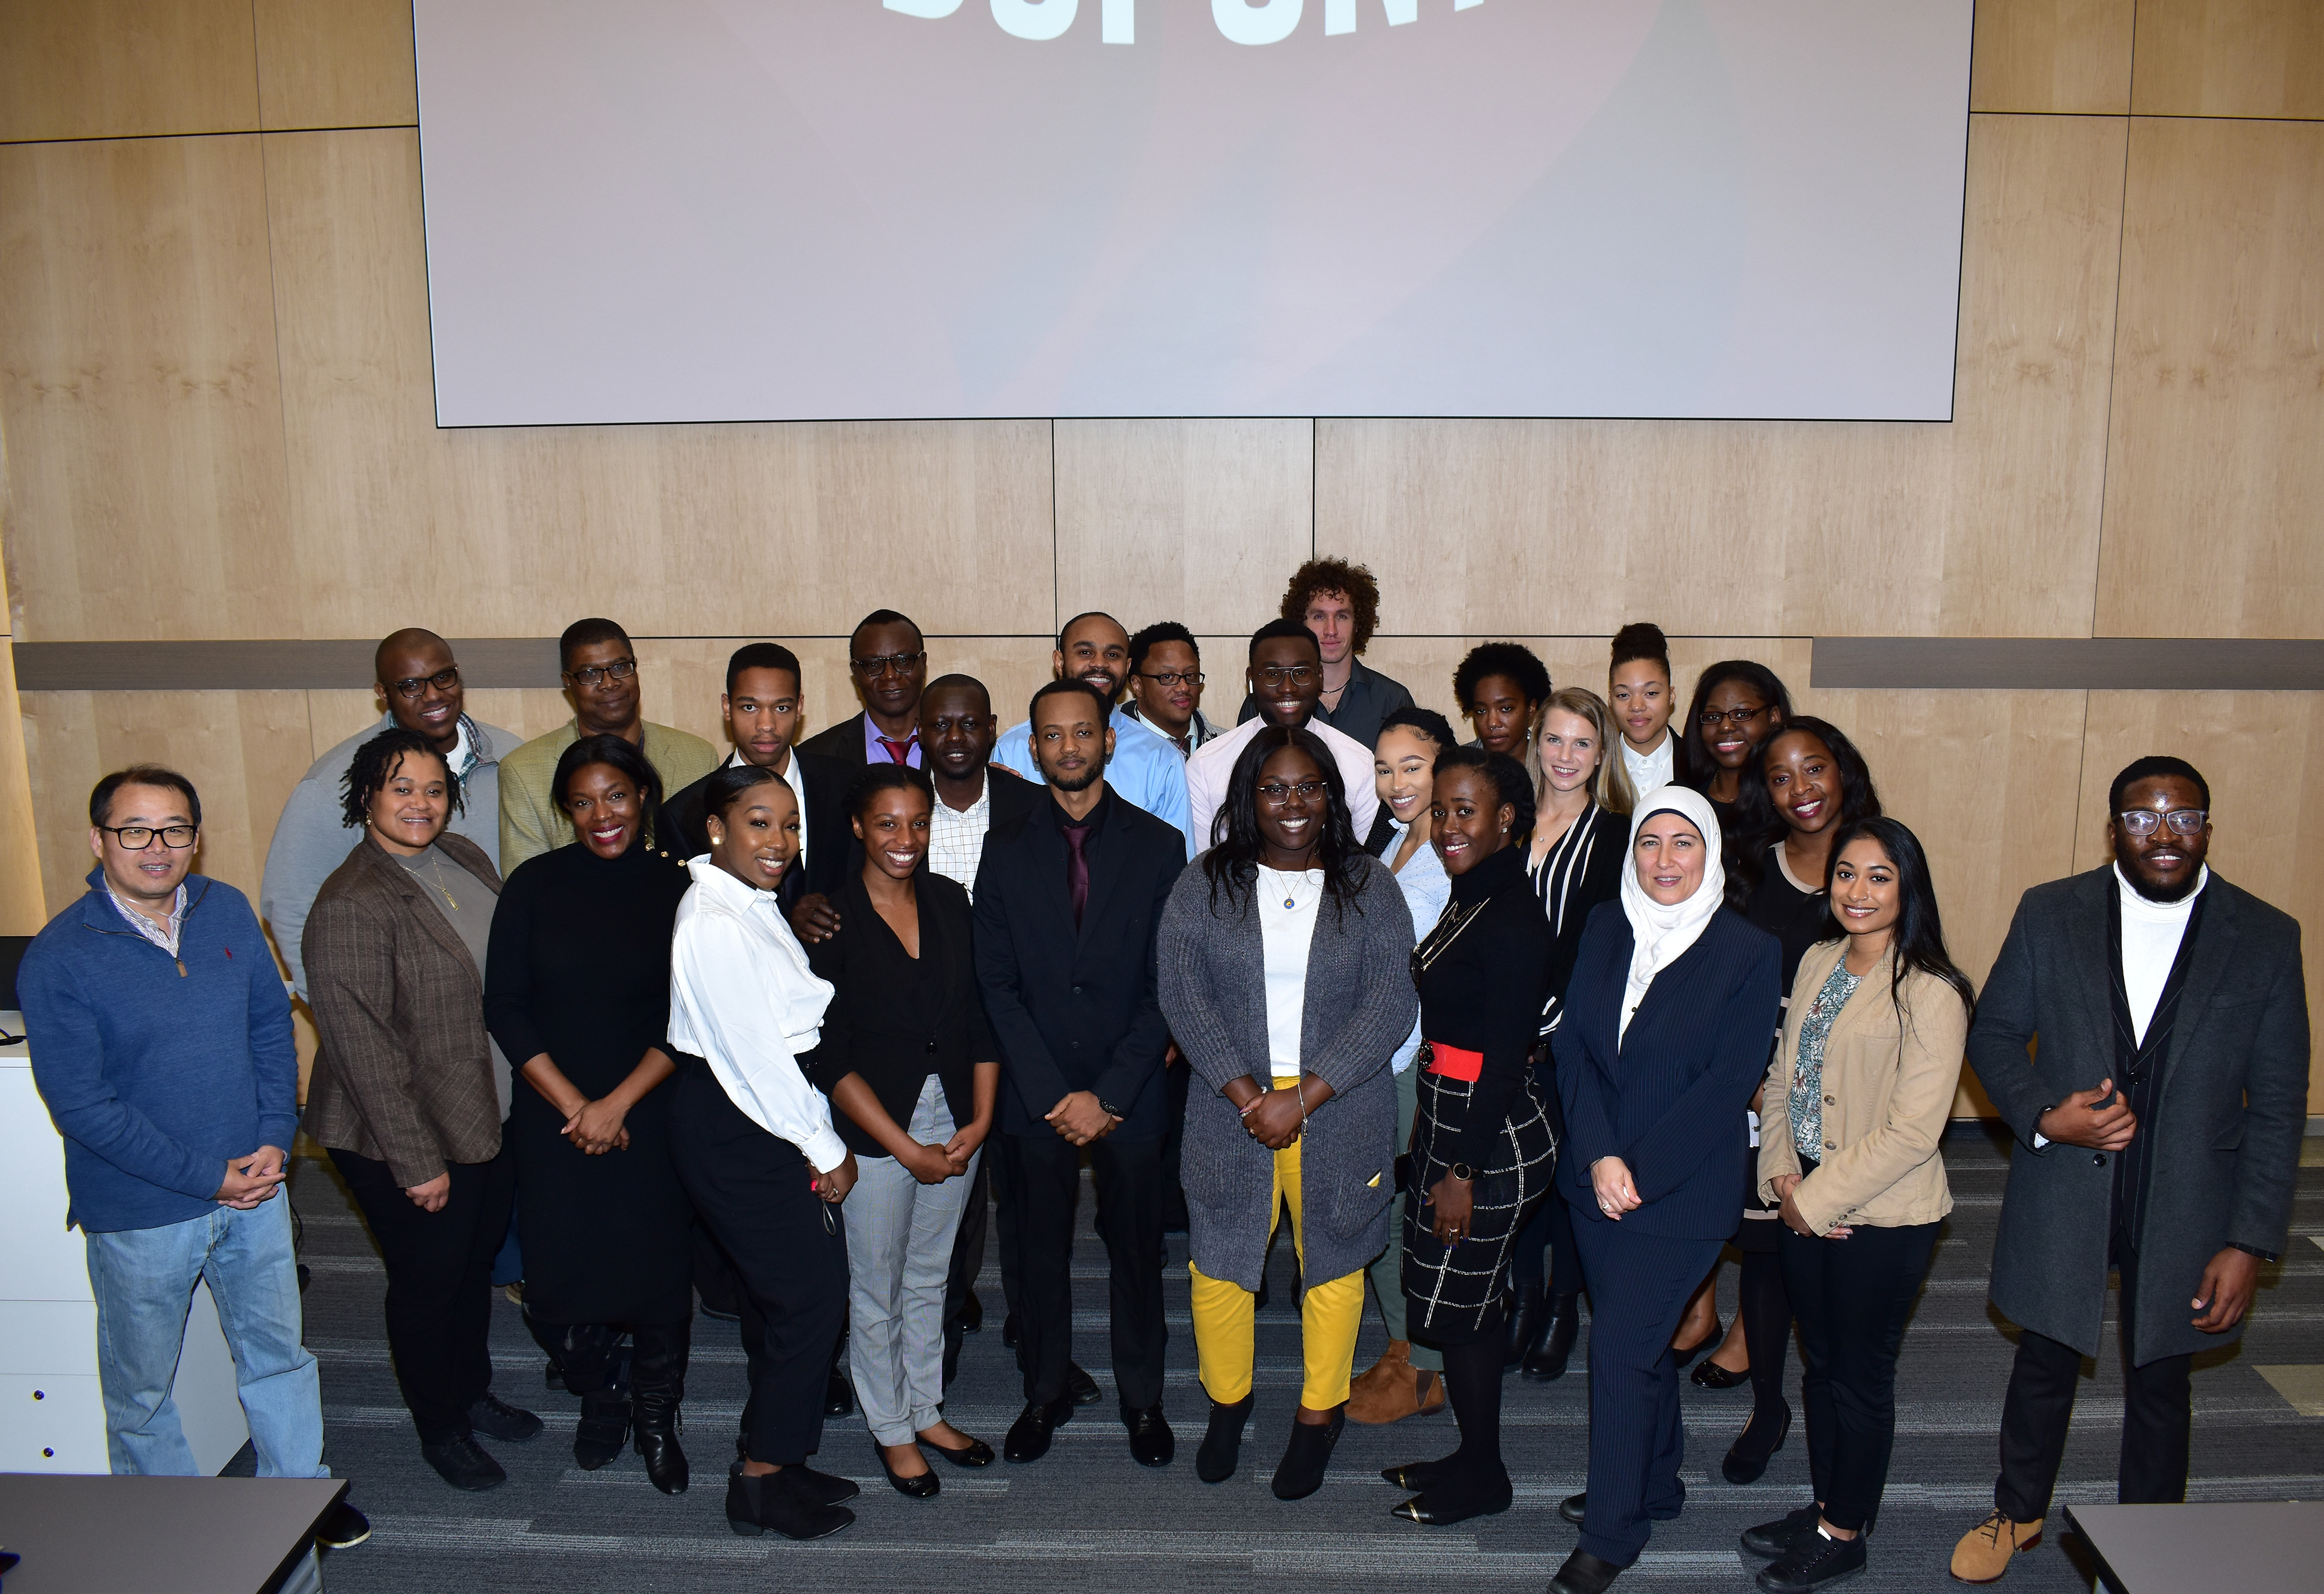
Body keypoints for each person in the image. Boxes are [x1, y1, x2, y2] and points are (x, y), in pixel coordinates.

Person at [1950, 757, 2309, 1584]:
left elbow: (2280, 1103)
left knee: (2161, 1376)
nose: (2165, 832)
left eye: (2183, 815)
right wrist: (2047, 1116)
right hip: (2067, 1184)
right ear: (2116, 827)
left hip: (2190, 1201)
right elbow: (1994, 1035)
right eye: (2144, 817)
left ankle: (2148, 1538)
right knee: (2043, 1357)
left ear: (2207, 825)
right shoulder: (2051, 911)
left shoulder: (2265, 934)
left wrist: (2249, 1239)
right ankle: (2019, 1509)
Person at [19, 767, 365, 1551]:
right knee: (144, 1391)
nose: (156, 845)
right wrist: (208, 1176)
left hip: (258, 1189)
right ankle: (175, 1539)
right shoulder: (61, 955)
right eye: (134, 829)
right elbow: (82, 1106)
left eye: (174, 828)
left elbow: (272, 1036)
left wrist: (277, 1138)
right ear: (99, 838)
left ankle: (299, 1502)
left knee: (278, 1356)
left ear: (195, 836)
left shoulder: (227, 910)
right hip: (143, 1212)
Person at [1159, 726, 1416, 1496]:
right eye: (1274, 787)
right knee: (1220, 1266)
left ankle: (1316, 1414)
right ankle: (1229, 1403)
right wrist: (1250, 1096)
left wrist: (1302, 1096)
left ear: (1332, 796)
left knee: (1334, 1265)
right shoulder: (1204, 882)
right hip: (1226, 1106)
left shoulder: (1370, 883)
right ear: (1248, 798)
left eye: (1309, 786)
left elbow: (1390, 1002)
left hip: (1341, 1104)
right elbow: (1183, 993)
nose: (1293, 802)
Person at [1548, 786, 1780, 1594]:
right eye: (1651, 841)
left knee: (1616, 1346)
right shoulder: (1608, 924)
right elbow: (1574, 1047)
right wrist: (1602, 1156)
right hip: (1595, 1182)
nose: (1665, 859)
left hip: (1680, 1194)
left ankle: (1616, 1530)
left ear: (1711, 852)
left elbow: (1728, 1084)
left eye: (1685, 841)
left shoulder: (1748, 950)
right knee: (1634, 1337)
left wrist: (1637, 1169)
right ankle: (1655, 1480)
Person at [301, 730, 539, 1491]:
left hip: (482, 1110)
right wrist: (417, 1161)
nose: (420, 802)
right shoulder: (350, 902)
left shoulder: (465, 859)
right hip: (396, 1133)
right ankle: (441, 1424)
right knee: (429, 1280)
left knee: (471, 1268)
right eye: (401, 787)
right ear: (366, 795)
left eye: (434, 788)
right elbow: (362, 1052)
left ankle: (471, 1389)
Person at [1745, 818, 1972, 1592]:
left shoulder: (1932, 989)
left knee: (1860, 1374)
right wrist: (1782, 1178)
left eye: (1879, 876)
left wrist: (1817, 1195)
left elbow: (1913, 1130)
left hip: (1883, 1211)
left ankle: (1846, 1531)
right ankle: (1824, 1505)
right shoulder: (1815, 958)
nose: (1859, 890)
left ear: (1908, 887)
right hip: (1803, 1193)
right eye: (1846, 873)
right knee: (1820, 1365)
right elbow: (1782, 1079)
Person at [974, 678, 1185, 1467]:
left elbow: (1171, 982)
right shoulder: (1004, 845)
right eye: (1053, 735)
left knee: (1137, 1253)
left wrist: (1110, 1093)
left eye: (1083, 732)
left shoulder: (1159, 845)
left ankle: (1143, 1398)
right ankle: (1044, 1390)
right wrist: (1052, 1091)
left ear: (1106, 740)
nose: (1069, 747)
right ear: (1035, 748)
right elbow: (994, 981)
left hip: (1129, 1090)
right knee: (1036, 1253)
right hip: (1037, 1094)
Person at [484, 735, 696, 1492]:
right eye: (582, 800)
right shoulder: (533, 884)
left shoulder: (682, 887)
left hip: (652, 1108)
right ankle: (601, 1393)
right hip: (554, 1115)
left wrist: (618, 1103)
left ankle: (655, 1411)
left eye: (616, 795)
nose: (601, 813)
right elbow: (504, 1005)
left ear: (643, 795)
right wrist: (580, 1107)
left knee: (657, 1271)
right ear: (566, 809)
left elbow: (692, 1014)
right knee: (558, 1275)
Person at [665, 765, 860, 1541]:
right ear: (717, 827)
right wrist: (826, 1144)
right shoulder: (711, 919)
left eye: (789, 824)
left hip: (759, 1109)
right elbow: (754, 1059)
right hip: (742, 1119)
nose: (778, 840)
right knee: (806, 1300)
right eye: (758, 822)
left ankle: (782, 1456)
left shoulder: (747, 901)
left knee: (804, 1298)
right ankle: (757, 1481)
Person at [1691, 718, 1883, 1482]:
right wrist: (1746, 1074)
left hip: (1852, 1099)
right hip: (1756, 1094)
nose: (1801, 789)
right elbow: (1712, 985)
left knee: (1840, 1268)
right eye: (1781, 775)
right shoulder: (1744, 867)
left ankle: (1845, 1417)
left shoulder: (1876, 861)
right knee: (1768, 1256)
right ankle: (1768, 1406)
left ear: (1845, 771)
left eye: (1816, 768)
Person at [802, 764, 1001, 1496]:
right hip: (872, 1127)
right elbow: (827, 1053)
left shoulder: (951, 901)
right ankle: (889, 1426)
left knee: (932, 1273)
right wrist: (901, 1145)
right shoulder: (830, 918)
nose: (905, 839)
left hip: (955, 1117)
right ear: (858, 826)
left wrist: (980, 1118)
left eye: (917, 823)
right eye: (887, 823)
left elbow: (980, 1018)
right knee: (876, 1283)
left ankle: (925, 1409)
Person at [1381, 750, 1555, 1527]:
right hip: (1452, 1110)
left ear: (1506, 818)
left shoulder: (1513, 915)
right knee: (1467, 1303)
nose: (1449, 824)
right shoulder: (1474, 893)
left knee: (1465, 1305)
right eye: (1442, 810)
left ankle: (1486, 1474)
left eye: (1467, 810)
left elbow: (1506, 1061)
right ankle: (1473, 1453)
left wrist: (1459, 1166)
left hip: (1490, 1131)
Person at [262, 629, 520, 998]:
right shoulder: (336, 783)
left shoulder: (513, 760)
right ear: (383, 693)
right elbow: (295, 910)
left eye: (443, 678)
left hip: (511, 1006)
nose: (432, 695)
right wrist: (344, 1015)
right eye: (411, 685)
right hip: (404, 1023)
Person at [917, 674, 1045, 1382]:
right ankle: (943, 1335)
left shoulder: (1032, 807)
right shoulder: (900, 810)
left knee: (1026, 1195)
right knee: (949, 1195)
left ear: (993, 729)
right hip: (936, 1034)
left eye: (970, 724)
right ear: (922, 734)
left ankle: (1035, 1329)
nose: (956, 738)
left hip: (1023, 1028)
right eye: (942, 725)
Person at [1508, 687, 1634, 1381]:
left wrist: (1536, 1017)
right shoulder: (1509, 815)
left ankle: (1560, 1308)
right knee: (1514, 1173)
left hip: (1569, 1030)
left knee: (1564, 1177)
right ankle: (1521, 1299)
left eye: (1581, 743)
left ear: (1601, 753)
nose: (1565, 756)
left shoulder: (1616, 829)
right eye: (1553, 740)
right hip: (1501, 1027)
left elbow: (1595, 938)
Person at [1347, 708, 1458, 1424]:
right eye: (1384, 768)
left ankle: (1428, 1364)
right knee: (1380, 1207)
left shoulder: (1455, 847)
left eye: (1411, 767)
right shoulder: (1388, 836)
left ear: (1443, 764)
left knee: (1411, 1213)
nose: (1395, 783)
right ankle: (1404, 1346)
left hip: (1418, 1059)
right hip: (1373, 1052)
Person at [498, 618, 718, 871]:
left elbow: (715, 867)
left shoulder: (699, 758)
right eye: (590, 674)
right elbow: (526, 885)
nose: (609, 683)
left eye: (620, 667)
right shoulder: (524, 772)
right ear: (568, 682)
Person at [662, 642, 849, 915]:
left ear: (799, 707)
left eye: (781, 708)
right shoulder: (684, 815)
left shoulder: (844, 783)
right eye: (750, 707)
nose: (766, 725)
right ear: (727, 708)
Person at [1188, 619, 1380, 860]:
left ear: (1319, 677)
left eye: (1301, 673)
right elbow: (1203, 865)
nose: (1287, 688)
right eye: (1272, 675)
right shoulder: (1207, 765)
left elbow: (1361, 864)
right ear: (1251, 680)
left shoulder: (1358, 763)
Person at [992, 611, 1191, 839]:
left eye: (1113, 655)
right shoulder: (1011, 749)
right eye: (1085, 652)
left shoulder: (1161, 758)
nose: (1099, 663)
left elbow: (1178, 865)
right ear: (1060, 661)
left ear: (1127, 667)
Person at [1235, 557, 1415, 751]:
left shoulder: (1393, 700)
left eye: (1342, 616)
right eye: (1319, 616)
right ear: (1300, 622)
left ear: (1358, 624)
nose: (1331, 630)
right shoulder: (1266, 699)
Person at [796, 608, 931, 767]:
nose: (890, 675)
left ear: (923, 663)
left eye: (903, 661)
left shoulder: (959, 747)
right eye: (873, 664)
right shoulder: (813, 758)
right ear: (855, 671)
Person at [1678, 660, 1793, 823]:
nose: (1725, 727)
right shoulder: (1681, 800)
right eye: (1713, 717)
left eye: (1742, 714)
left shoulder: (1794, 799)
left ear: (1774, 717)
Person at [1124, 621, 1222, 757]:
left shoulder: (1229, 747)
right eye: (1168, 677)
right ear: (1138, 685)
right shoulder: (1107, 747)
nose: (1184, 687)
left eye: (1191, 676)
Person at [1609, 623, 1681, 798]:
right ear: (1610, 700)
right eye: (1624, 695)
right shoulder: (1592, 767)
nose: (1636, 706)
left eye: (1651, 693)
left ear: (1671, 696)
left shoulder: (1702, 767)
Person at [1451, 642, 1550, 760]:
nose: (1492, 723)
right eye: (1481, 711)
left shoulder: (1551, 764)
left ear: (1531, 708)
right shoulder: (1457, 766)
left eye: (1506, 709)